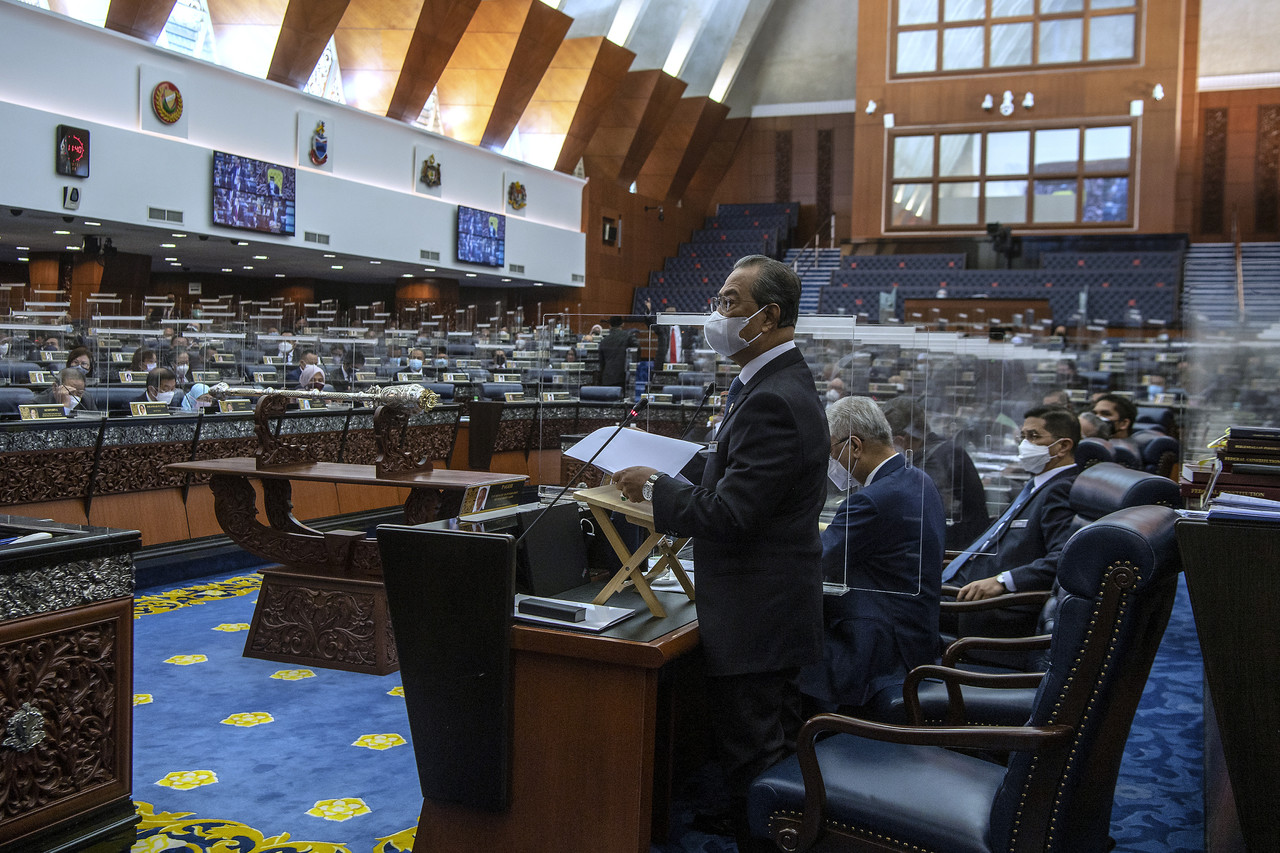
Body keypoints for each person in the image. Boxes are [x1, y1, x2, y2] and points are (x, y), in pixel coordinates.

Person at [611, 255, 828, 850]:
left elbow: (731, 515)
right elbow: (734, 470)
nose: (718, 314)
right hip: (769, 609)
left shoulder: (772, 399)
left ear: (769, 316)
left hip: (757, 613)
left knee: (757, 758)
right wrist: (670, 462)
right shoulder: (769, 383)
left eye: (731, 302)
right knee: (768, 749)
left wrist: (656, 488)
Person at [799, 396, 945, 717]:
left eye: (830, 452)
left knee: (782, 662)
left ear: (854, 446)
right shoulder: (918, 479)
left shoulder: (870, 500)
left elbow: (816, 565)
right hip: (915, 634)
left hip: (879, 645)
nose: (829, 462)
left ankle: (799, 750)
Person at [948, 405, 1081, 635]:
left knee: (892, 604)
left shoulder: (1061, 490)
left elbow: (1063, 559)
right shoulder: (1037, 484)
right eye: (1023, 436)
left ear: (1063, 446)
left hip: (991, 606)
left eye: (1034, 436)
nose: (1024, 445)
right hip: (966, 587)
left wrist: (1002, 582)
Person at [880, 396, 990, 551]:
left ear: (900, 440)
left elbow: (920, 513)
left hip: (952, 548)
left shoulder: (935, 460)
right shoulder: (942, 451)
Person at [32, 367, 97, 416]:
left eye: (79, 393)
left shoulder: (87, 400)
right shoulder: (36, 404)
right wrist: (64, 407)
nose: (74, 397)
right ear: (55, 387)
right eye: (70, 392)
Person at [596, 316, 636, 389]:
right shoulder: (627, 336)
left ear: (610, 326)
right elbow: (637, 348)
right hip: (621, 376)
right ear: (622, 324)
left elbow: (601, 362)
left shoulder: (604, 340)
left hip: (607, 377)